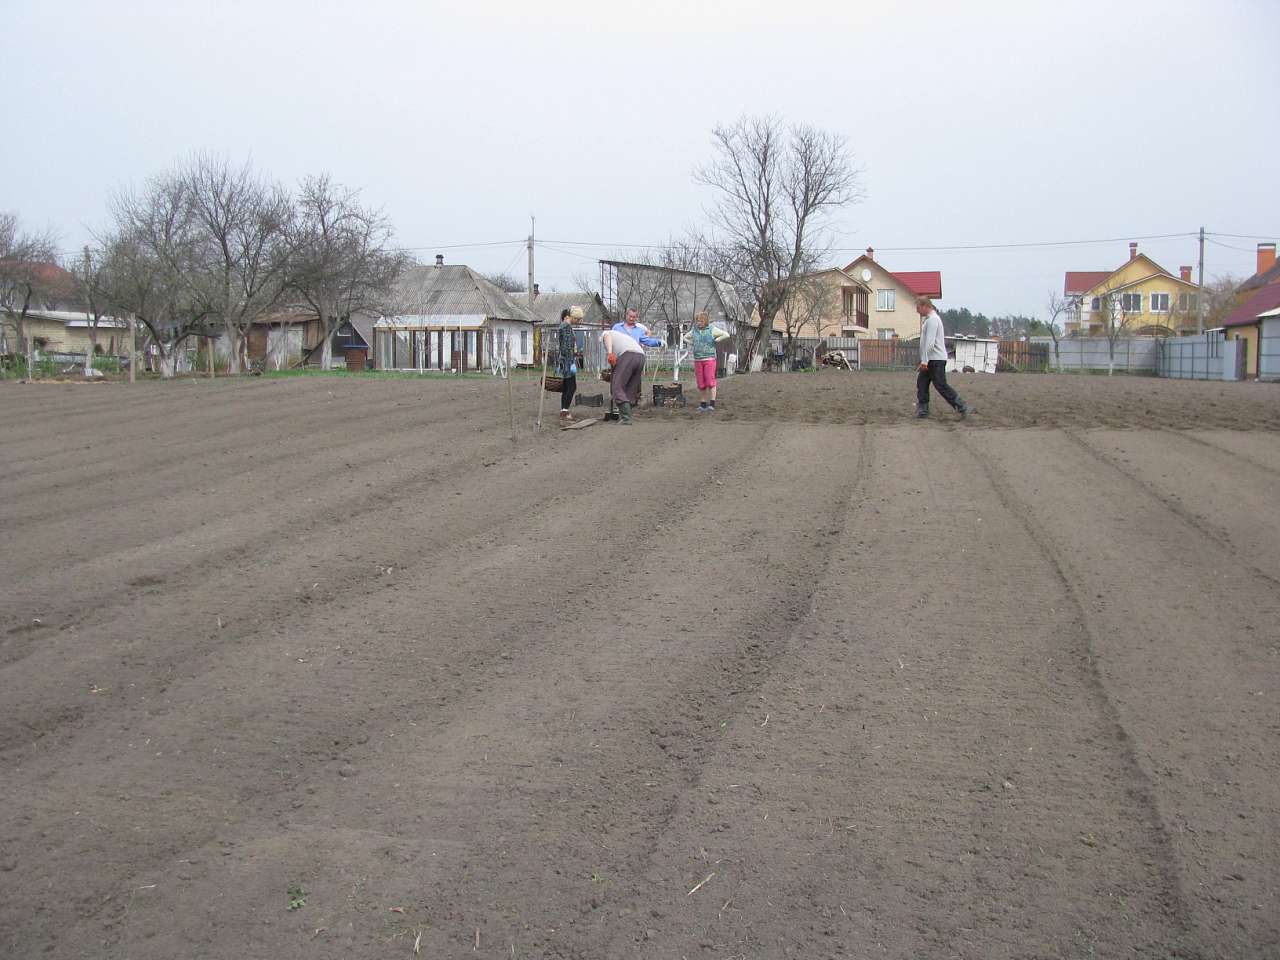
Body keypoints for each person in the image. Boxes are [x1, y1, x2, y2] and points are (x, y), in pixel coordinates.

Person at [915, 297, 970, 419]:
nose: (917, 311)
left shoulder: (933, 320)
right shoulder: (929, 320)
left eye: (918, 308)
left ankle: (961, 406)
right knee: (922, 383)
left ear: (925, 306)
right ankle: (923, 410)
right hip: (931, 359)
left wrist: (924, 361)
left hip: (935, 360)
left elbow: (930, 342)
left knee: (941, 385)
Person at [681, 311, 731, 412]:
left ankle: (712, 403)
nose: (699, 323)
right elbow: (685, 338)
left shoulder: (712, 329)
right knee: (701, 382)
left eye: (701, 321)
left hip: (709, 359)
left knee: (710, 380)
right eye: (697, 321)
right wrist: (692, 343)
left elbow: (726, 334)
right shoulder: (694, 330)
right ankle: (703, 404)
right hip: (698, 359)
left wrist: (716, 340)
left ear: (705, 321)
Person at [602, 325, 646, 424]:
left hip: (628, 355)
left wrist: (609, 353)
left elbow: (607, 336)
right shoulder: (623, 338)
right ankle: (626, 415)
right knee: (631, 387)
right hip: (641, 357)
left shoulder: (607, 333)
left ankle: (626, 418)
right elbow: (616, 363)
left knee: (617, 387)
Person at [556, 305, 583, 424]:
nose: (578, 321)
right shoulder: (566, 327)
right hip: (567, 361)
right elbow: (566, 347)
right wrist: (571, 360)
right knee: (571, 387)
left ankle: (564, 410)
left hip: (565, 360)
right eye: (577, 319)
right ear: (571, 317)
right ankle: (565, 412)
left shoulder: (564, 326)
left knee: (567, 387)